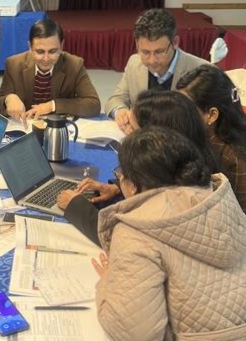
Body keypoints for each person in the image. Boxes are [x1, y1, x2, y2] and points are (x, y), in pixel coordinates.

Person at [92, 126, 246, 341]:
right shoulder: (232, 211)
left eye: (120, 175)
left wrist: (108, 281)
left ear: (133, 186)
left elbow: (136, 334)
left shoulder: (137, 230)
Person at [57, 91, 217, 243]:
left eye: (132, 128)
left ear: (157, 137)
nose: (127, 134)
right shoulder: (190, 163)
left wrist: (77, 208)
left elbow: (126, 242)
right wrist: (118, 188)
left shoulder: (177, 197)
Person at [177, 64, 246, 235]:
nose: (177, 114)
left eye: (185, 110)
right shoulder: (201, 134)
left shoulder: (242, 158)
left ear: (211, 115)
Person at [105, 8, 208, 135]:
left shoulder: (201, 71)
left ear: (175, 42)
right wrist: (120, 112)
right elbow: (116, 99)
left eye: (159, 52)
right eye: (145, 52)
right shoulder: (134, 62)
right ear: (137, 45)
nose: (152, 60)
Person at [0, 18, 100, 122]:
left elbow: (93, 105)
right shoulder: (14, 64)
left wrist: (52, 105)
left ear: (61, 46)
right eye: (40, 52)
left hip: (58, 129)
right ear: (30, 46)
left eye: (52, 51)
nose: (46, 58)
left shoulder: (74, 64)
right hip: (25, 129)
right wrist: (8, 98)